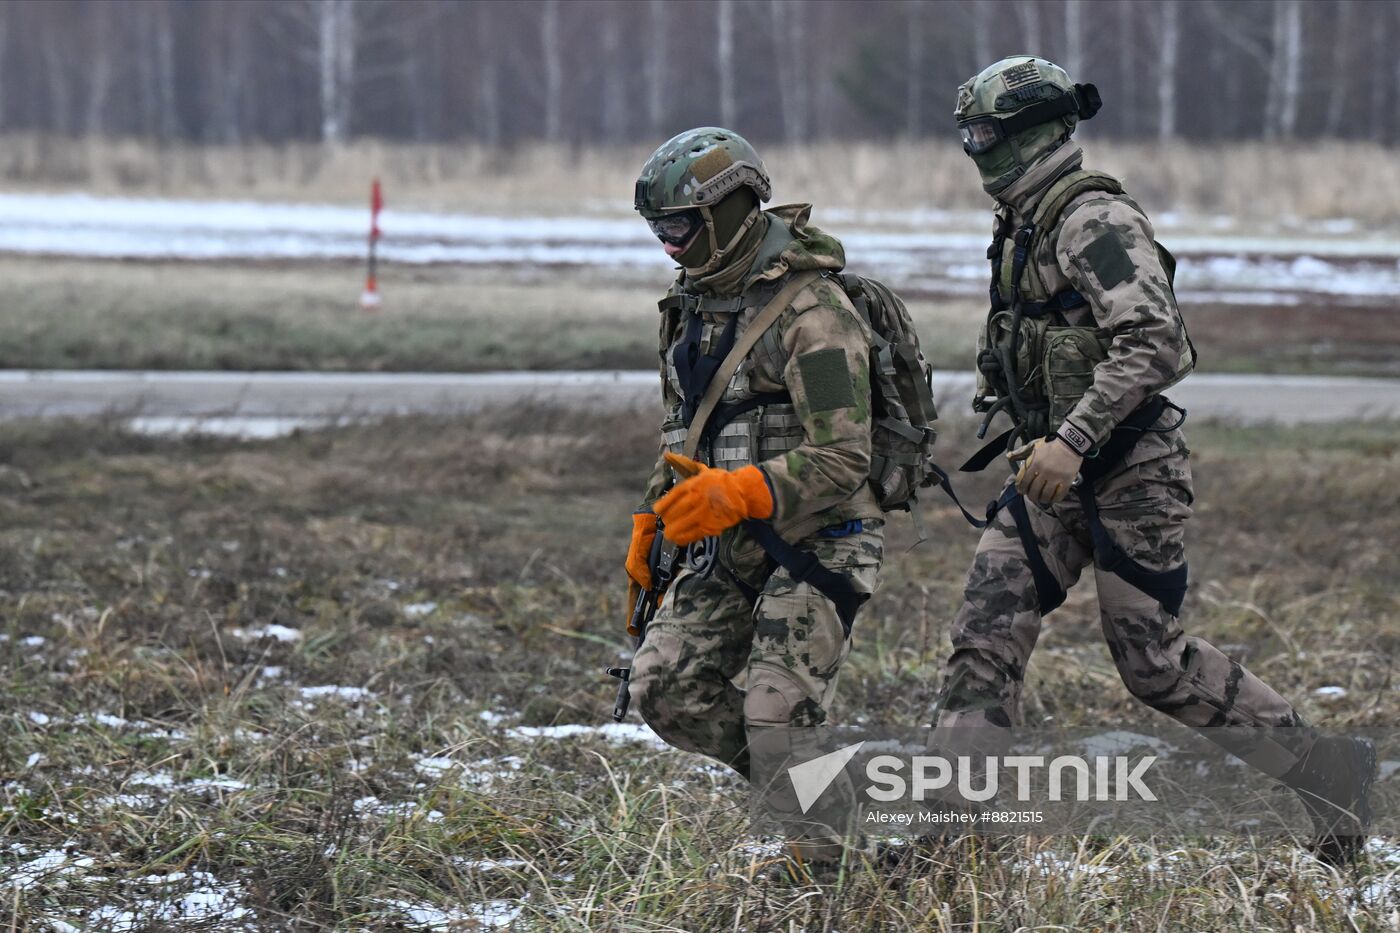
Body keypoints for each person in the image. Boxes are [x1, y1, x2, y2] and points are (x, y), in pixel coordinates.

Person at [932, 56, 1374, 864]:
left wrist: (1073, 439)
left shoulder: (1091, 220)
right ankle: (945, 838)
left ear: (1031, 131)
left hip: (1131, 470)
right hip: (1049, 477)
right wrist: (1037, 437)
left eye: (986, 133)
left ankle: (1328, 768)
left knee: (1153, 664)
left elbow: (1156, 342)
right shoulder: (1024, 222)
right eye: (968, 133)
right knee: (982, 642)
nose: (974, 147)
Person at [624, 127, 884, 879]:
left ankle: (833, 867)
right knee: (662, 687)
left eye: (680, 228)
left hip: (824, 534)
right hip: (729, 536)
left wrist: (736, 491)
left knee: (773, 714)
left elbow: (844, 457)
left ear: (729, 208)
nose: (669, 248)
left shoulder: (815, 310)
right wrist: (651, 524)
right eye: (658, 232)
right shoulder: (693, 309)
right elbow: (685, 434)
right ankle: (829, 800)